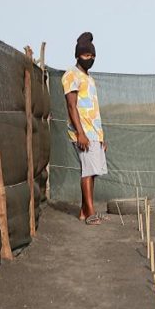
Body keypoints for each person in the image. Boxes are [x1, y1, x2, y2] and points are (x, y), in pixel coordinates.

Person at [61, 32, 108, 225]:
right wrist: (80, 133)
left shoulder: (90, 79)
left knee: (93, 171)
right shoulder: (70, 75)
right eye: (87, 55)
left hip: (94, 132)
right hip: (82, 132)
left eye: (92, 56)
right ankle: (90, 215)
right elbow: (71, 106)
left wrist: (101, 135)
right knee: (87, 172)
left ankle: (83, 211)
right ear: (78, 55)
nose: (90, 59)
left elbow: (94, 109)